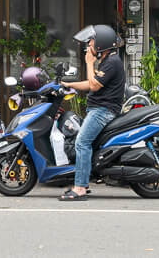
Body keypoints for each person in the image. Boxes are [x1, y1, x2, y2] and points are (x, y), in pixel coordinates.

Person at [58, 24, 125, 201]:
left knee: (81, 143)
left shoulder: (111, 62)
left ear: (101, 44)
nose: (88, 47)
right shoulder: (108, 60)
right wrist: (69, 85)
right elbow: (91, 83)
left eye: (91, 42)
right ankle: (82, 183)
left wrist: (89, 63)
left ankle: (80, 188)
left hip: (102, 111)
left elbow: (93, 85)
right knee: (85, 143)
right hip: (99, 109)